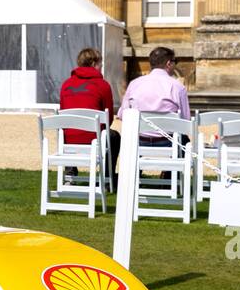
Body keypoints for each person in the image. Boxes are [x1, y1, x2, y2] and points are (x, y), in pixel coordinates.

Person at [59, 47, 119, 186]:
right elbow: (108, 118)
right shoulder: (103, 85)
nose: (101, 68)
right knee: (114, 136)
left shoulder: (66, 84)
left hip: (69, 139)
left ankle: (70, 173)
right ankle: (107, 177)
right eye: (100, 65)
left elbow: (63, 112)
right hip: (94, 138)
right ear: (94, 64)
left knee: (67, 130)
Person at [119, 46, 190, 140]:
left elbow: (122, 115)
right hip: (169, 143)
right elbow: (186, 121)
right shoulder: (177, 87)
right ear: (168, 63)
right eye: (174, 62)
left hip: (139, 141)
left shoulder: (134, 84)